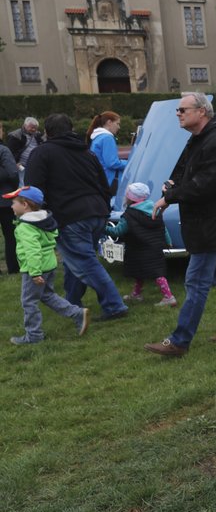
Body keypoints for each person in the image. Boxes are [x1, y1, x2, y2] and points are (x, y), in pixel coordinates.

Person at [144, 92, 216, 357]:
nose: (178, 114)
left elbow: (204, 185)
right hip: (210, 224)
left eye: (182, 110)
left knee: (196, 283)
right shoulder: (200, 139)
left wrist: (170, 196)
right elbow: (188, 172)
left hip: (211, 225)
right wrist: (173, 186)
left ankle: (180, 340)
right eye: (178, 110)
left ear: (201, 112)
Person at [24, 114, 128, 320]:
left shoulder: (42, 153)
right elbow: (103, 184)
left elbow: (33, 190)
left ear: (47, 132)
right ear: (71, 129)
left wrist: (36, 218)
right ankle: (73, 301)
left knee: (85, 262)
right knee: (77, 260)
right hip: (97, 212)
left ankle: (115, 305)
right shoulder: (87, 153)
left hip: (70, 215)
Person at [5, 186, 90, 345]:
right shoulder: (44, 220)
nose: (11, 206)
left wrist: (35, 273)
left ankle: (34, 335)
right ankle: (77, 313)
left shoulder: (26, 226)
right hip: (49, 265)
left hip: (36, 269)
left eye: (14, 202)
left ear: (25, 205)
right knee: (47, 295)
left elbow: (32, 250)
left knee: (29, 301)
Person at [104, 182, 176, 307]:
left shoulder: (128, 215)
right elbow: (162, 228)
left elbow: (117, 231)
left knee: (155, 273)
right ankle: (136, 294)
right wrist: (168, 241)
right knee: (145, 271)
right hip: (154, 247)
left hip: (138, 248)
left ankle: (169, 297)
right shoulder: (155, 209)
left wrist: (102, 227)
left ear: (130, 198)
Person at [86, 111, 128, 196]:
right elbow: (112, 163)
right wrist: (129, 163)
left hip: (101, 179)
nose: (119, 127)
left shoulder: (97, 137)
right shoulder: (107, 138)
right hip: (109, 180)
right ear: (109, 122)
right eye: (117, 123)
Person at [0, 121, 19, 275]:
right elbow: (13, 173)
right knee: (10, 236)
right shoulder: (3, 150)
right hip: (5, 199)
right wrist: (13, 189)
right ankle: (13, 268)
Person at [5, 116, 40, 184]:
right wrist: (15, 163)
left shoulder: (38, 135)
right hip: (21, 166)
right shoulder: (15, 135)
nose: (33, 129)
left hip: (35, 165)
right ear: (25, 125)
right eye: (31, 127)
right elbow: (9, 152)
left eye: (35, 128)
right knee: (22, 185)